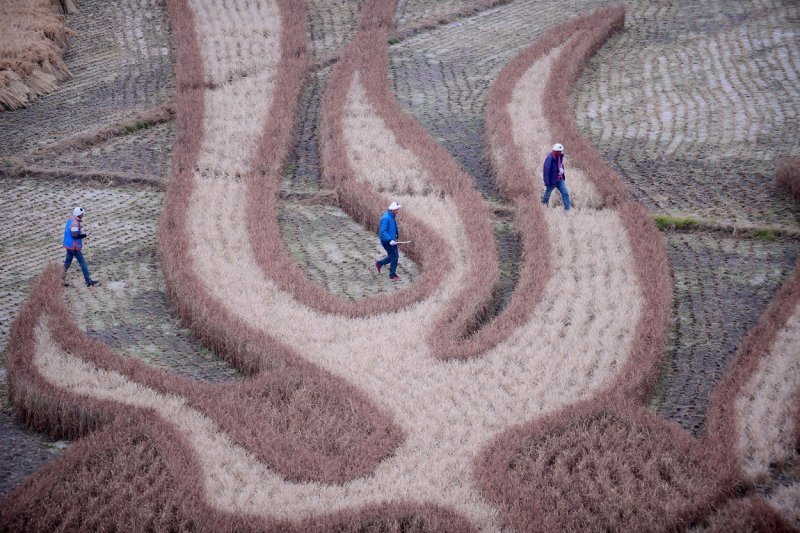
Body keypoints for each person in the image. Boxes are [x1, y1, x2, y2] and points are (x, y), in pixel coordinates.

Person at [62, 206, 100, 287]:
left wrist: (79, 229)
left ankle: (60, 281)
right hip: (74, 247)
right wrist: (85, 235)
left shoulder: (70, 220)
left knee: (67, 264)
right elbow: (75, 235)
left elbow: (72, 231)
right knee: (83, 263)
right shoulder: (75, 223)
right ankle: (89, 282)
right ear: (79, 214)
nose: (83, 215)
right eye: (82, 214)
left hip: (68, 245)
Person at [375, 201, 402, 281]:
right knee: (394, 257)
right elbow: (383, 231)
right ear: (392, 210)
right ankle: (392, 276)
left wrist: (396, 236)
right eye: (397, 209)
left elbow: (393, 228)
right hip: (387, 241)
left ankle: (379, 263)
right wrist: (390, 240)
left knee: (393, 256)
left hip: (392, 240)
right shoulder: (386, 218)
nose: (398, 211)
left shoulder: (392, 217)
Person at [542, 142, 570, 211]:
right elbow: (546, 171)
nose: (561, 152)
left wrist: (562, 172)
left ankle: (567, 210)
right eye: (559, 151)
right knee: (547, 195)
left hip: (559, 179)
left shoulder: (559, 157)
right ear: (555, 151)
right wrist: (547, 183)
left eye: (561, 151)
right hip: (552, 181)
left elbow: (560, 165)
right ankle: (543, 206)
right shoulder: (549, 158)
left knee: (565, 192)